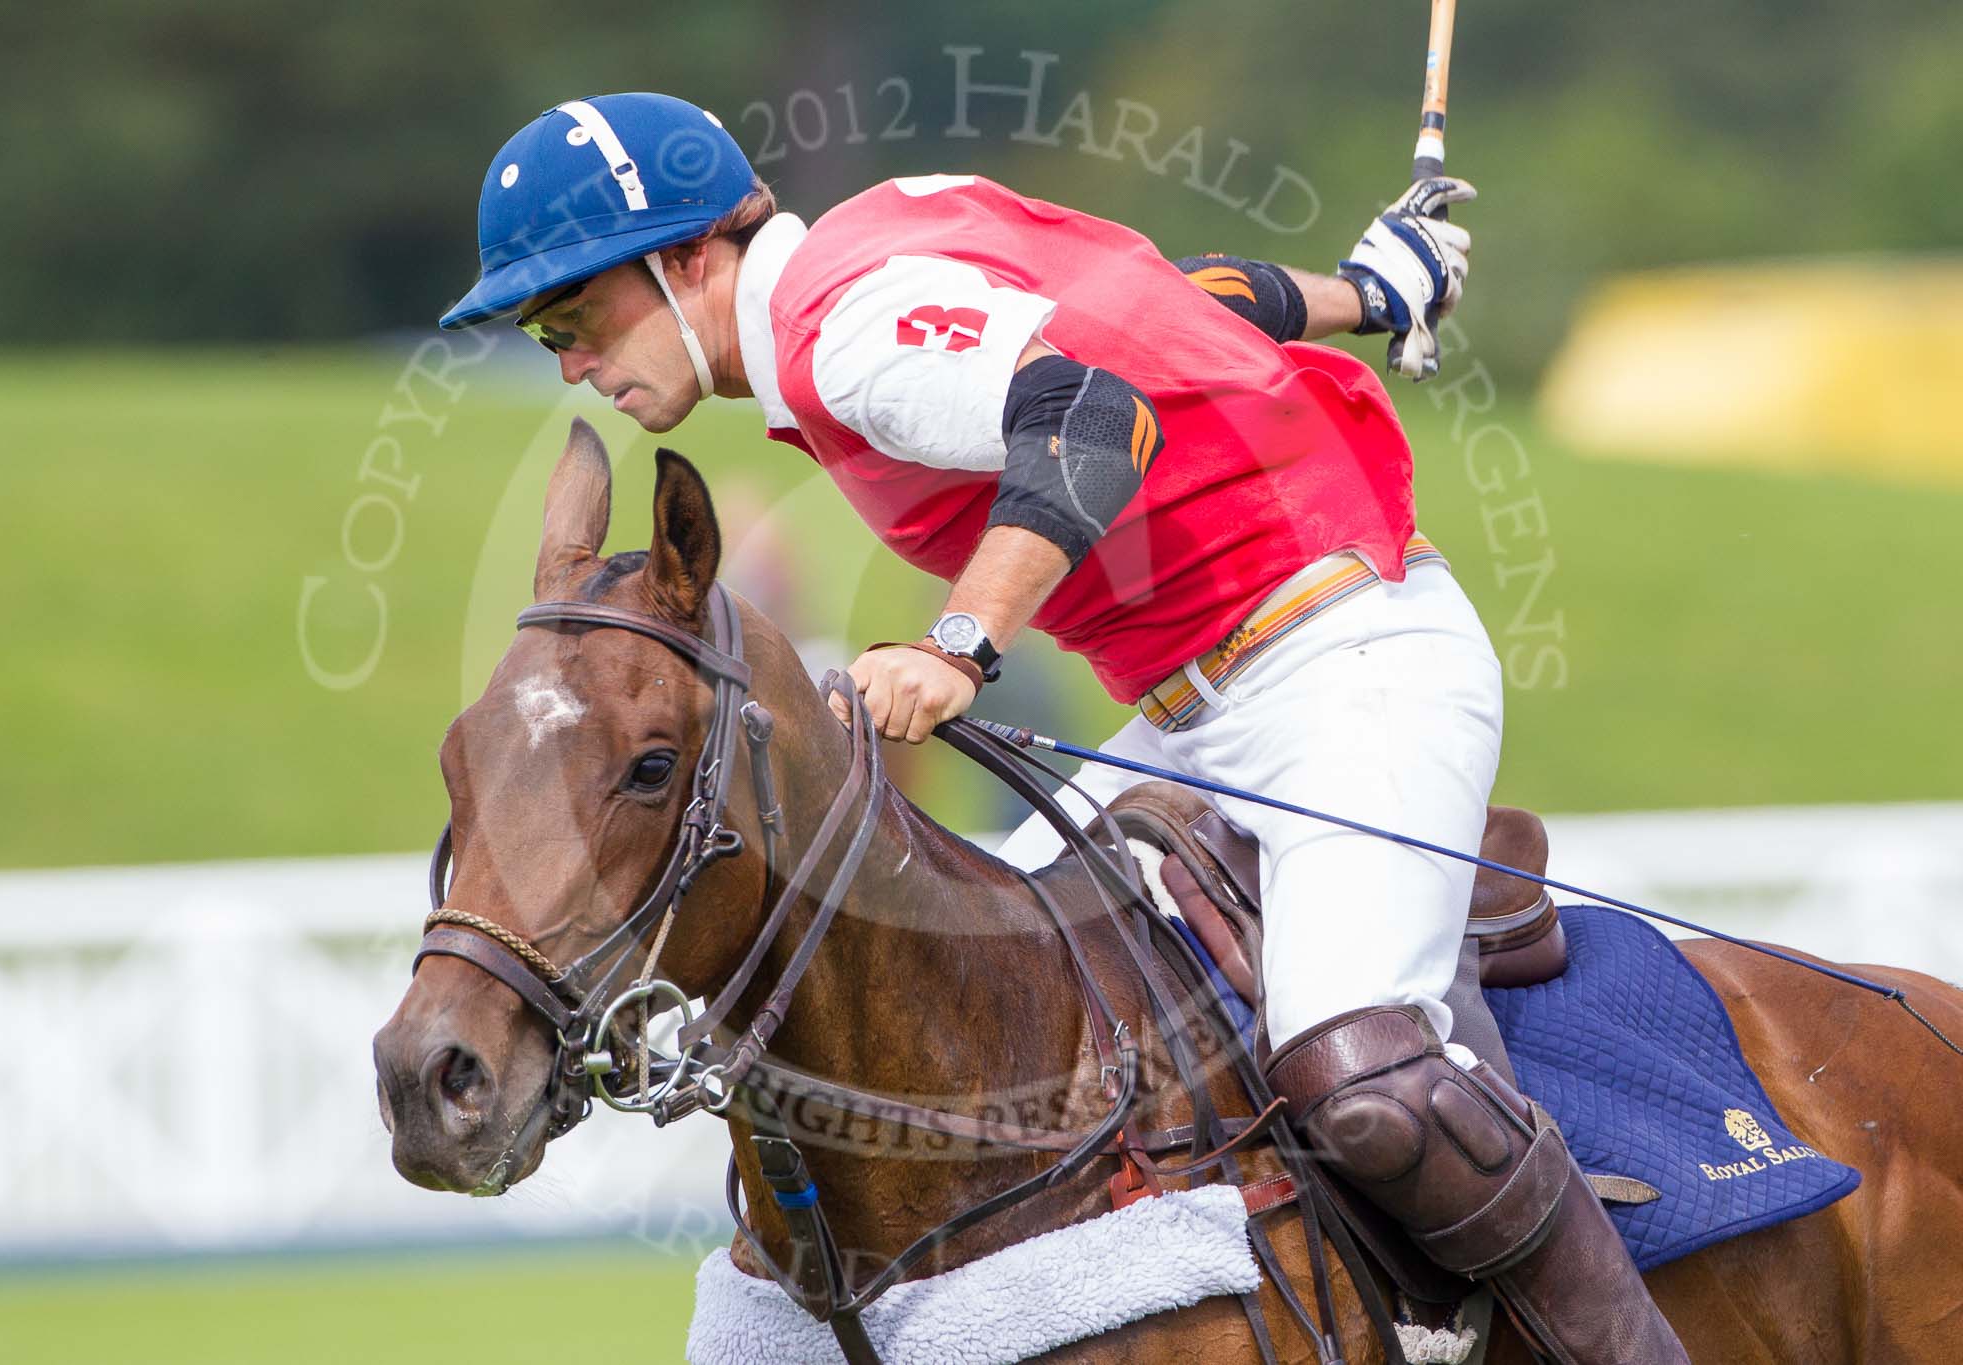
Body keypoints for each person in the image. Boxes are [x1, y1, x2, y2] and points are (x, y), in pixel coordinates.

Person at [440, 92, 1686, 1362]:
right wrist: (1365, 294)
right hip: (1189, 718)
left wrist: (958, 644)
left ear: (684, 259)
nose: (568, 364)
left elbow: (1093, 411)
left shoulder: (840, 339)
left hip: (1347, 670)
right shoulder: (867, 244)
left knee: (1355, 1074)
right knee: (1005, 1013)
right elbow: (1152, 305)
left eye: (570, 318)